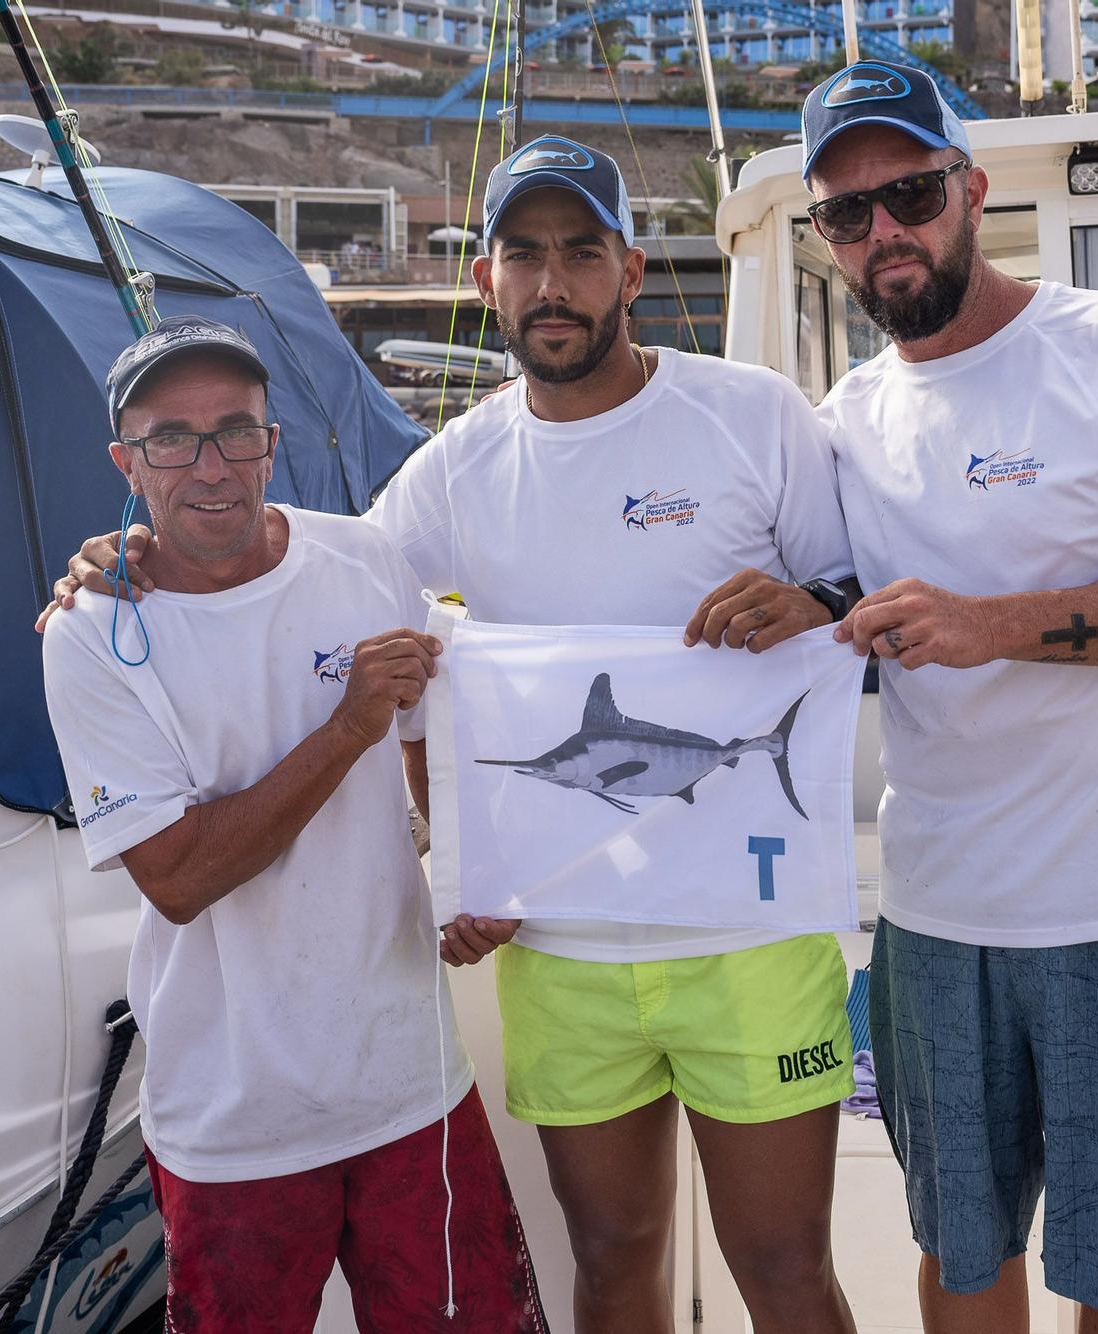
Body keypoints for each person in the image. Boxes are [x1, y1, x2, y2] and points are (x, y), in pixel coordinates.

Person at [43, 136, 863, 1334]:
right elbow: (305, 571)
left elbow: (861, 596)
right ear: (485, 281)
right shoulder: (445, 476)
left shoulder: (755, 414)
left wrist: (819, 603)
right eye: (522, 254)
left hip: (748, 921)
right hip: (560, 945)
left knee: (786, 1264)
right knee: (613, 1251)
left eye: (581, 251)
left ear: (631, 268)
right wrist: (124, 554)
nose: (552, 282)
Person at [782, 61, 1098, 1333]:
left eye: (907, 192)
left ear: (970, 188)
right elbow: (826, 619)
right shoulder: (844, 419)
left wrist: (984, 624)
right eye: (847, 212)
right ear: (829, 241)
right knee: (959, 1263)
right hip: (938, 921)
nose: (883, 230)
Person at [39, 316, 542, 1332]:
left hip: (412, 1088)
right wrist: (347, 723)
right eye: (170, 439)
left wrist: (462, 873)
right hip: (232, 1121)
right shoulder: (90, 636)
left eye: (236, 429)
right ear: (124, 461)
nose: (210, 464)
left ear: (274, 441)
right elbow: (177, 877)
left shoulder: (361, 556)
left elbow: (425, 721)